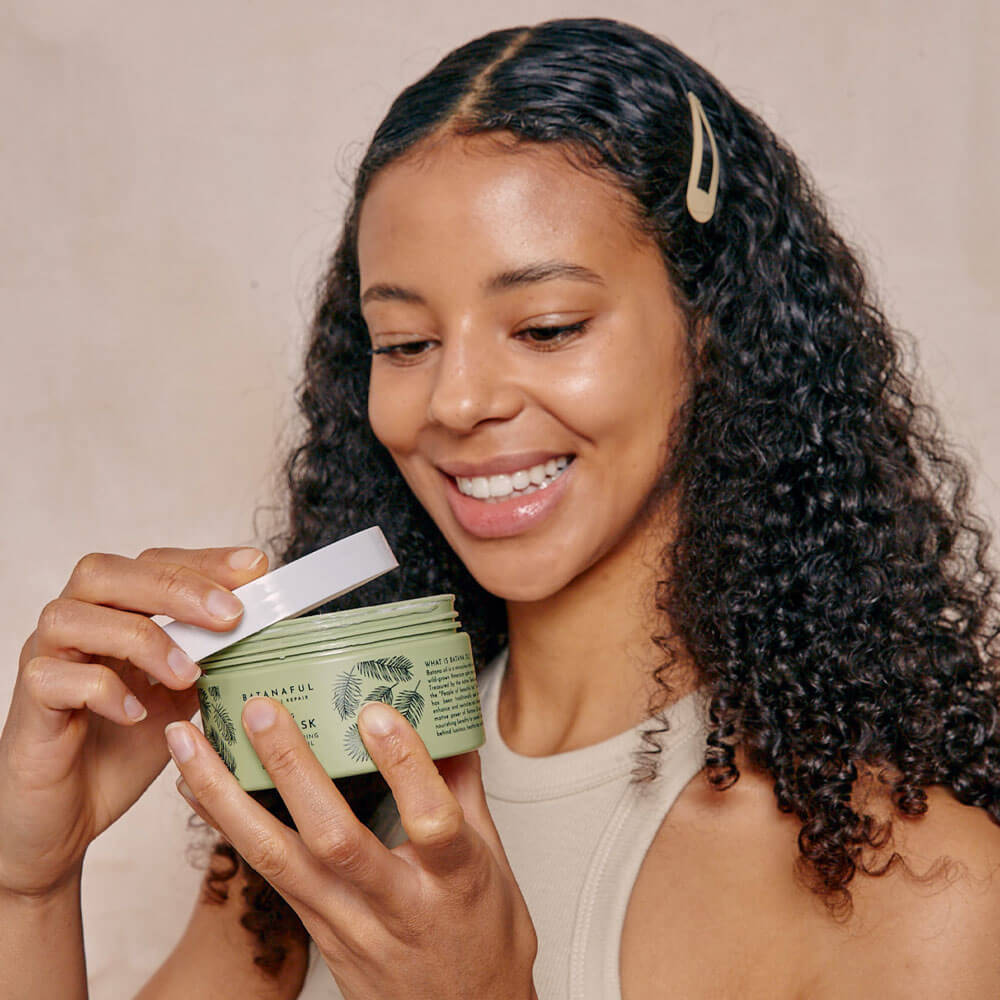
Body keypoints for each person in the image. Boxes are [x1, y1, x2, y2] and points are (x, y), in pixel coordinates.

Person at [3, 15, 999, 999]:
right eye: (403, 342)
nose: (457, 401)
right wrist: (28, 884)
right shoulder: (333, 779)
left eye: (547, 326)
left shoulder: (921, 887)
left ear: (714, 331)